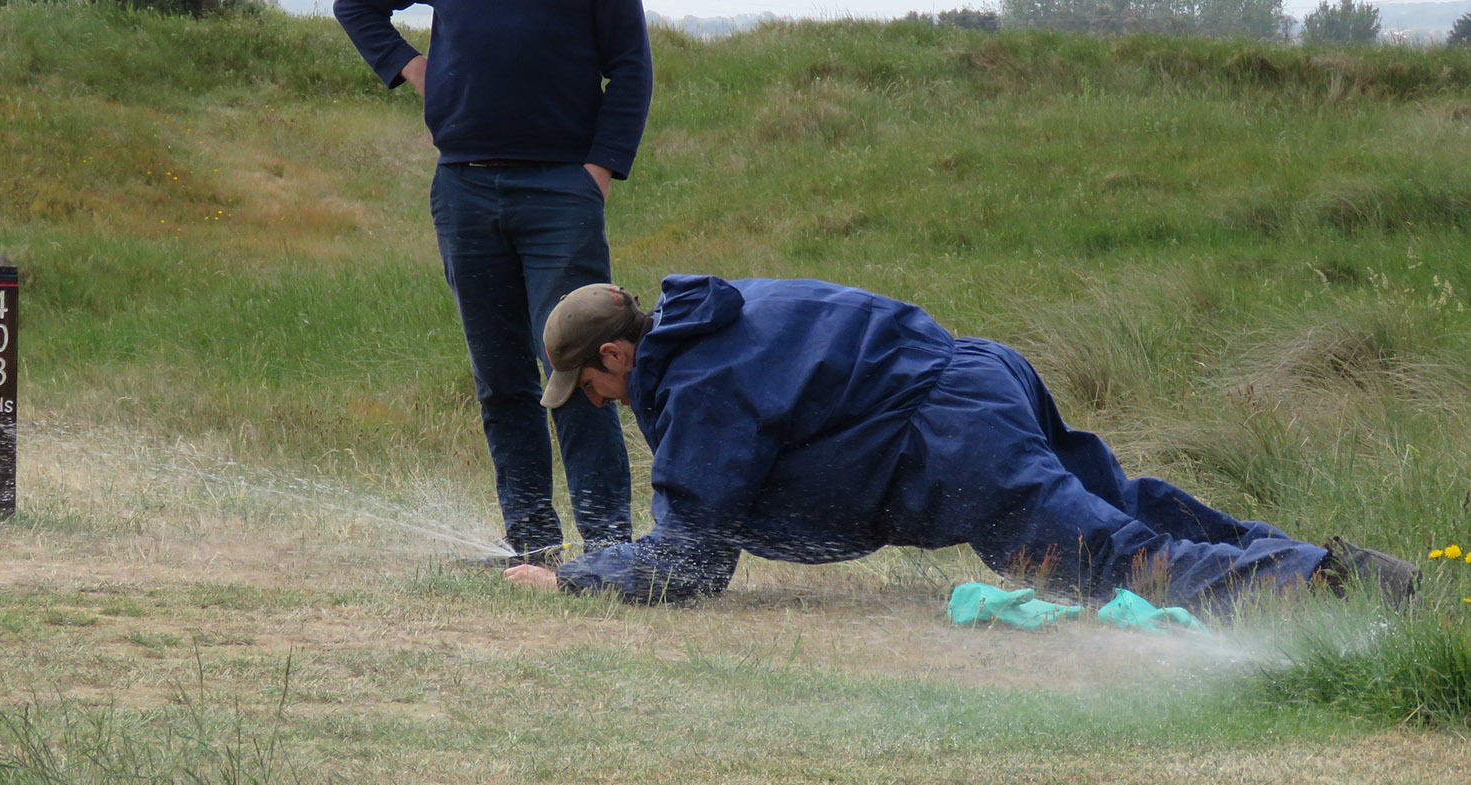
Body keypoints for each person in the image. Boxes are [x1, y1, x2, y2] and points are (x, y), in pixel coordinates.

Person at [503, 276, 1419, 612]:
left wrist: (577, 578)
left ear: (616, 352)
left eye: (590, 384)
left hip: (954, 437)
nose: (595, 401)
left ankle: (1326, 588)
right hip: (984, 370)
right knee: (1123, 502)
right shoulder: (716, 315)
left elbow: (695, 555)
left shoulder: (697, 386)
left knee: (1108, 557)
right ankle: (1344, 567)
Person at [333, 0, 653, 562]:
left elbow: (631, 66)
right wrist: (409, 65)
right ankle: (532, 542)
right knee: (500, 376)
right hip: (463, 187)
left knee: (576, 365)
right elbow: (355, 5)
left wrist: (600, 169)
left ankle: (608, 549)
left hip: (561, 188)